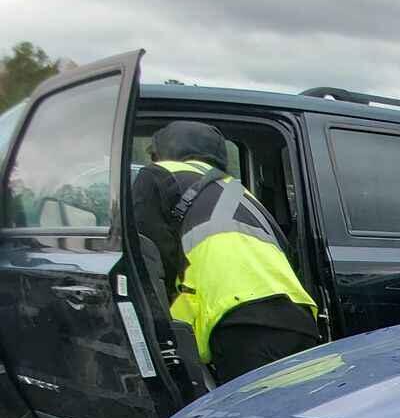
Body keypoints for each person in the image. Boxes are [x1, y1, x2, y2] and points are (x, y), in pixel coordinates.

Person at [131, 121, 321, 384]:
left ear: (161, 152)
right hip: (296, 319)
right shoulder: (239, 192)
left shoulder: (157, 175)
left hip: (241, 325)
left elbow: (148, 260)